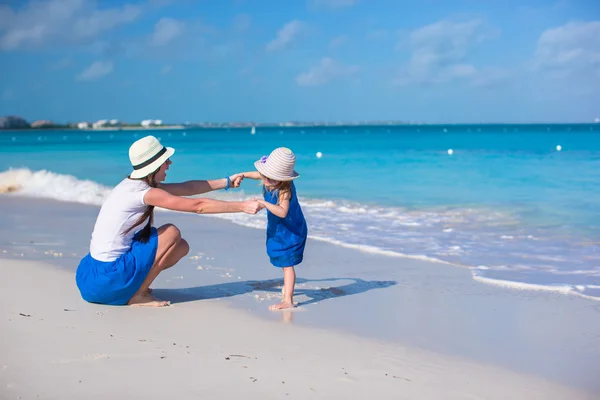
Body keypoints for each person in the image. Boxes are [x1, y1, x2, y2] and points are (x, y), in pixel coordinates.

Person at [75, 135, 262, 307]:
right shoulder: (144, 193)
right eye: (165, 161)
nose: (169, 163)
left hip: (91, 278)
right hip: (107, 279)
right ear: (155, 165)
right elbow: (198, 206)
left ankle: (134, 287)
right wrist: (242, 206)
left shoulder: (132, 185)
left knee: (180, 247)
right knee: (171, 232)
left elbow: (187, 187)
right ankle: (137, 295)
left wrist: (227, 181)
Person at [237, 147, 308, 310]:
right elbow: (257, 174)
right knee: (278, 255)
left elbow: (282, 212)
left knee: (287, 263)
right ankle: (287, 289)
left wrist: (263, 203)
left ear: (283, 179)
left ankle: (288, 300)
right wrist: (243, 175)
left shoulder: (285, 190)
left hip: (291, 230)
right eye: (266, 175)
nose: (267, 180)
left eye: (273, 178)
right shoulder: (267, 178)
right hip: (278, 228)